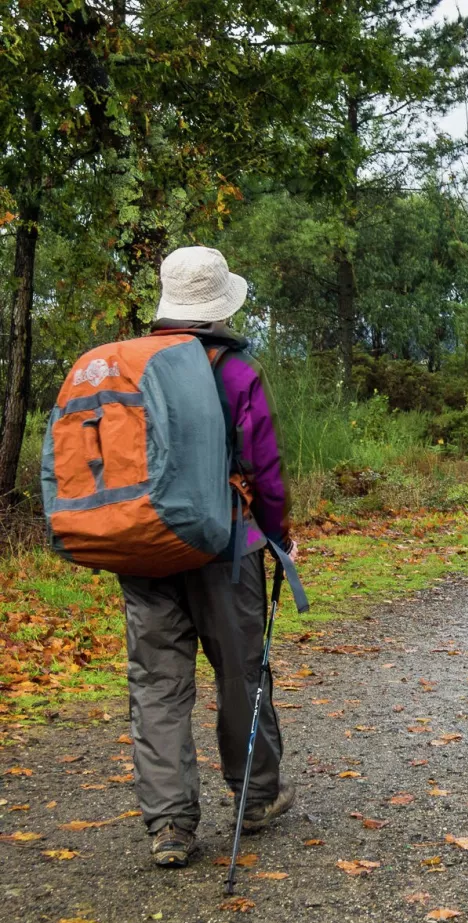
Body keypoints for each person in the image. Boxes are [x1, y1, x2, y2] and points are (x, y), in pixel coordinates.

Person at [122, 246, 296, 867]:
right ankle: (255, 798)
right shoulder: (236, 370)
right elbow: (265, 468)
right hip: (225, 545)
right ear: (220, 306)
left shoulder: (133, 365)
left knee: (158, 685)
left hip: (143, 547)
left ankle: (170, 827)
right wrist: (278, 533)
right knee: (240, 672)